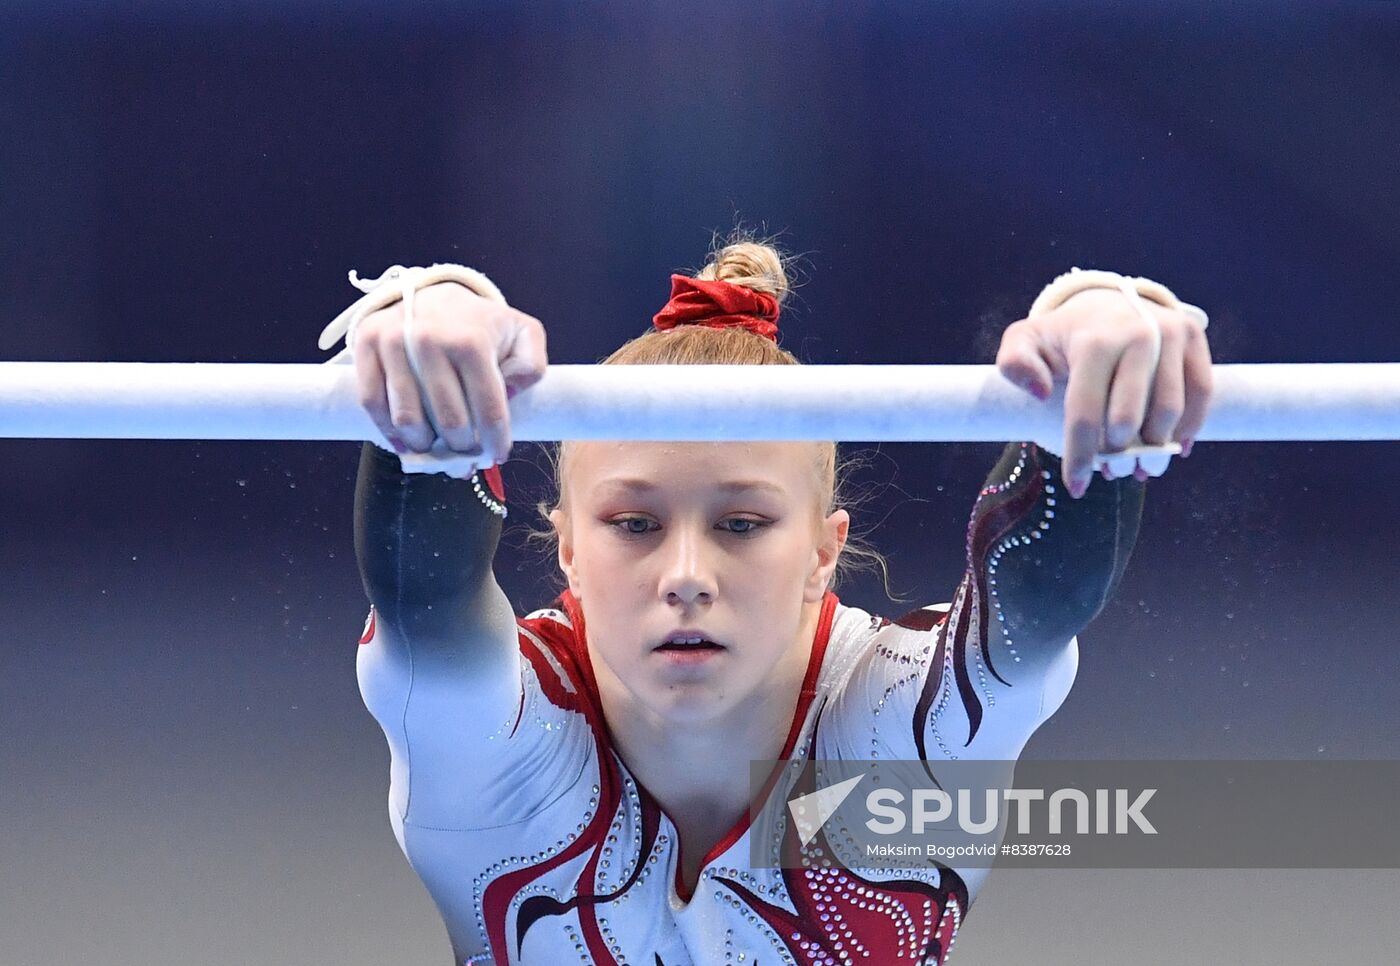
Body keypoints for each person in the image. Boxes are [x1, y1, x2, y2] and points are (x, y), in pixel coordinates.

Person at [329, 232, 1213, 964]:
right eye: (634, 524)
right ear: (566, 544)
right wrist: (440, 325)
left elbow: (1040, 597)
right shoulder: (501, 739)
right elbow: (427, 602)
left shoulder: (896, 722)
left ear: (823, 553)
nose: (685, 574)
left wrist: (1094, 334)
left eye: (742, 524)